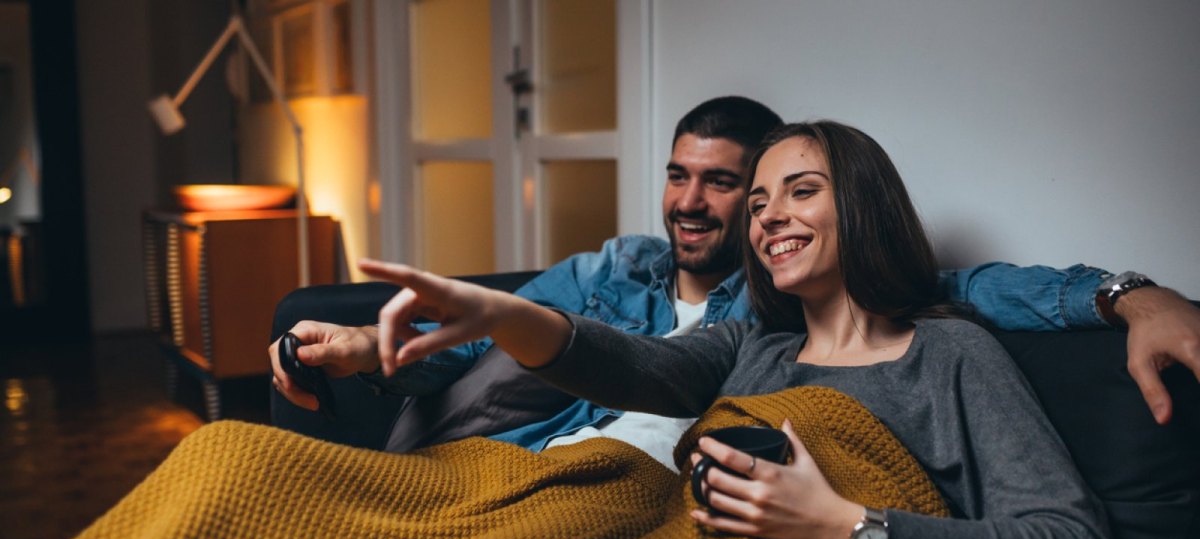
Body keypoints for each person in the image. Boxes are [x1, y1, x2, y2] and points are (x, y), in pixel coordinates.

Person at [355, 120, 1122, 539]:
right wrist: (500, 313)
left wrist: (852, 529)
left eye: (801, 191)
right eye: (758, 202)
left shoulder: (951, 355)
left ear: (862, 208)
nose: (768, 217)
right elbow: (631, 365)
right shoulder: (752, 346)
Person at [271, 97, 1200, 462]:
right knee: (235, 469)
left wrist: (1130, 294)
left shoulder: (770, 317)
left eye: (727, 183)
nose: (694, 202)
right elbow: (483, 340)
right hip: (496, 469)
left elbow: (965, 286)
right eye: (680, 175)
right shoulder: (610, 271)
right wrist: (364, 349)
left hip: (611, 496)